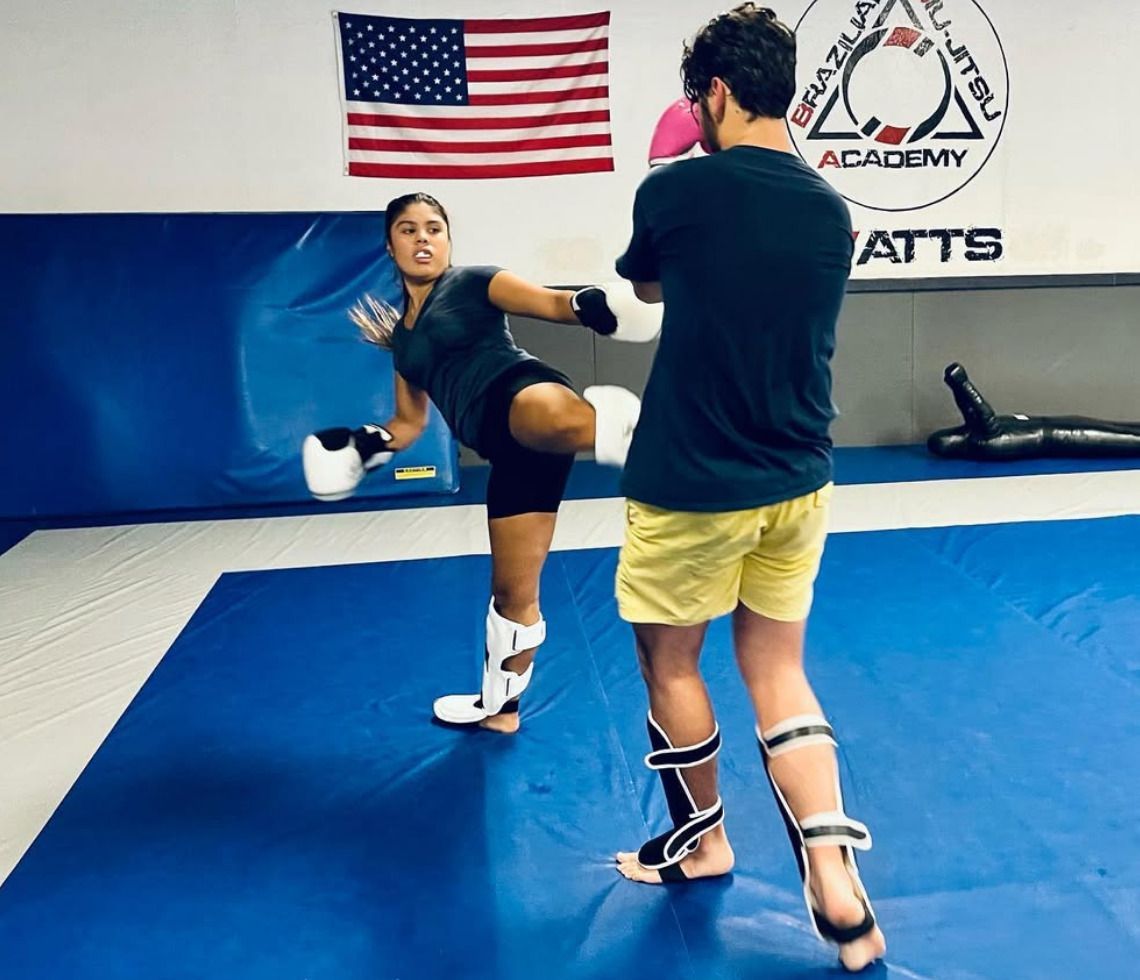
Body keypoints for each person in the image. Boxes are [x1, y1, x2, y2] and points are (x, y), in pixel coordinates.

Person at [609, 6, 886, 972]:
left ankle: (703, 844)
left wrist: (670, 163)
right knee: (778, 669)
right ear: (795, 95)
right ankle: (834, 870)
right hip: (799, 475)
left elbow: (650, 294)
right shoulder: (829, 207)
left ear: (714, 94)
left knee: (673, 666)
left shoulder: (678, 194)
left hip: (691, 479)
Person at [303, 192, 658, 735]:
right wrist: (359, 447)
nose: (423, 238)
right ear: (389, 244)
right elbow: (408, 424)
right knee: (513, 595)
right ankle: (499, 709)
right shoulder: (402, 343)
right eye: (408, 229)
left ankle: (655, 441)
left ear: (448, 240)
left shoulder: (474, 283)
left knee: (548, 415)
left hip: (519, 392)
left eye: (433, 228)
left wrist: (594, 305)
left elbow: (554, 304)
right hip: (505, 449)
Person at [929, 362, 1140, 459]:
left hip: (1057, 428)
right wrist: (961, 383)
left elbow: (970, 411)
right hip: (1061, 436)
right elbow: (981, 411)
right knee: (1119, 436)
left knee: (1116, 429)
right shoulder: (983, 441)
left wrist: (957, 386)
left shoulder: (975, 435)